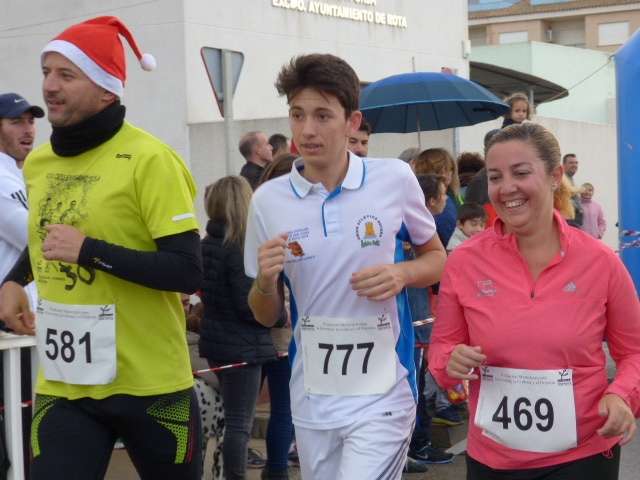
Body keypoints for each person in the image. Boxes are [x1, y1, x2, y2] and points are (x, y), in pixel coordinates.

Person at [0, 17, 203, 479]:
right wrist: (14, 280)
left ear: (107, 90)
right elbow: (47, 238)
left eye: (66, 75)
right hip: (65, 384)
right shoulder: (40, 161)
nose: (50, 86)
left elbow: (186, 271)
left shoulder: (151, 160)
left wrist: (90, 250)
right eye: (46, 72)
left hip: (152, 386)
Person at [244, 53, 446, 480]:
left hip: (385, 393)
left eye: (322, 115)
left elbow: (437, 259)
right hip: (313, 397)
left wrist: (402, 274)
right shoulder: (267, 201)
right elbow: (265, 315)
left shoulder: (393, 178)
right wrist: (265, 282)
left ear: (352, 121)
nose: (307, 130)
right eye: (297, 115)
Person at [429, 122, 640, 479]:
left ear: (555, 176)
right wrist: (451, 361)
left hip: (582, 456)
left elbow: (634, 352)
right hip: (492, 459)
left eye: (521, 173)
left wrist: (622, 395)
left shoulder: (601, 262)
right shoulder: (464, 261)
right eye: (495, 177)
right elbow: (441, 350)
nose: (506, 187)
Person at [199, 176, 277, 480]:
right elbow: (249, 306)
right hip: (243, 345)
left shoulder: (206, 244)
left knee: (231, 418)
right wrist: (278, 315)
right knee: (239, 423)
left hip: (216, 342)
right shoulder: (240, 248)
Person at [0, 91, 44, 477]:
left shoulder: (22, 173)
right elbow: (39, 238)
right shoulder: (2, 177)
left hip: (24, 325)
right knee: (17, 436)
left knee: (28, 433)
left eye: (31, 121)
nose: (28, 129)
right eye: (16, 121)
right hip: (8, 326)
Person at [405, 173, 454, 472]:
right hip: (415, 323)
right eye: (443, 194)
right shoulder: (415, 232)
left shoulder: (422, 231)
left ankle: (416, 444)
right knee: (415, 387)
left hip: (421, 320)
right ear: (430, 201)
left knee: (419, 385)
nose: (447, 200)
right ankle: (417, 445)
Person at [257, 154, 297, 480]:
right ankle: (277, 469)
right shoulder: (282, 228)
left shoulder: (258, 218)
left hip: (256, 333)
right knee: (284, 406)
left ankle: (276, 468)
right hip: (280, 332)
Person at [413, 148, 462, 248]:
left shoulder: (450, 196)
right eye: (445, 169)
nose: (449, 173)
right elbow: (450, 238)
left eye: (451, 169)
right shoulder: (442, 203)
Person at [562, 153, 584, 227]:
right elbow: (564, 196)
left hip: (574, 218)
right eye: (571, 163)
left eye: (576, 163)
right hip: (568, 218)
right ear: (563, 165)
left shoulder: (569, 178)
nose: (574, 165)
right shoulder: (561, 178)